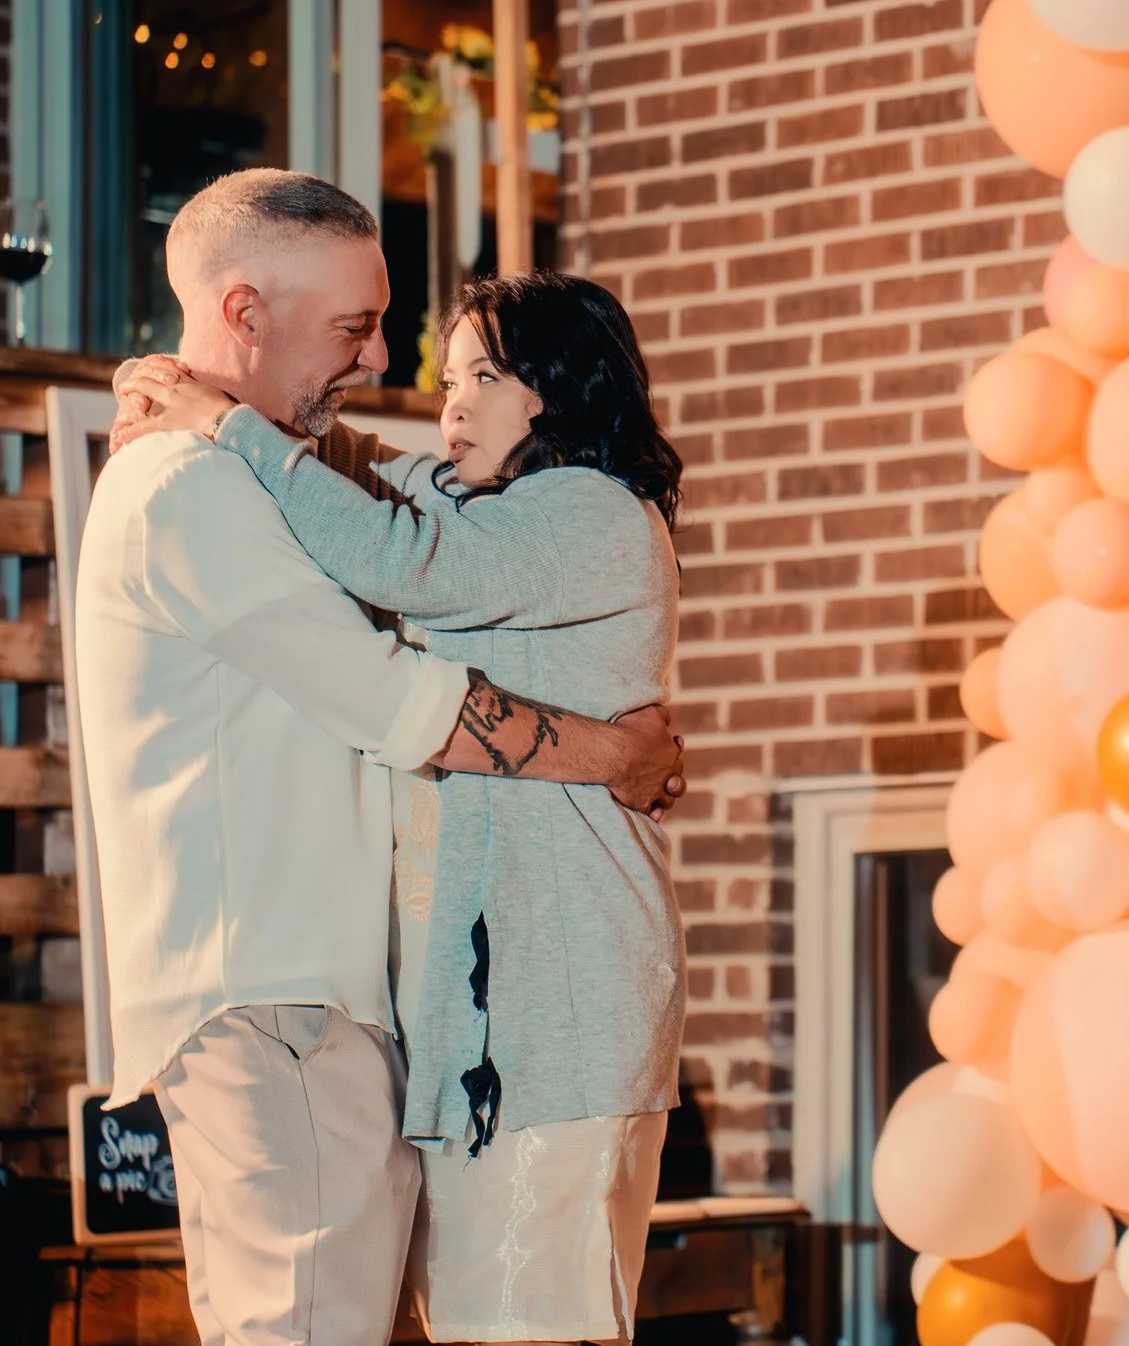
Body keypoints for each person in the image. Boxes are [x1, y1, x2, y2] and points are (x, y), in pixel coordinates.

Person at [75, 169, 686, 1346]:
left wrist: (242, 422)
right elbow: (397, 688)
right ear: (245, 312)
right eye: (354, 327)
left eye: (471, 378)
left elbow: (381, 510)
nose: (378, 359)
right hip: (278, 994)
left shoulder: (558, 511)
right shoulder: (195, 483)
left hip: (397, 1005)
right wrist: (616, 747)